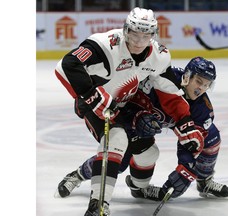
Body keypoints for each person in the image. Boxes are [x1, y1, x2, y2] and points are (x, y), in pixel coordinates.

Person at [54, 7, 205, 216]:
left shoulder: (158, 56)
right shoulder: (105, 45)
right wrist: (92, 95)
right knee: (117, 140)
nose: (138, 41)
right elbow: (66, 65)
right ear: (126, 29)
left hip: (123, 106)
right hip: (93, 106)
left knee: (149, 153)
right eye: (134, 34)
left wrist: (185, 122)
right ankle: (97, 204)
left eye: (145, 36)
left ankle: (139, 189)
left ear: (153, 35)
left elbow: (169, 90)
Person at [55, 57, 228, 204]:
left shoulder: (202, 108)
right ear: (187, 76)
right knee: (120, 161)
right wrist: (136, 117)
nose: (201, 89)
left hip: (149, 123)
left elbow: (192, 143)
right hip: (128, 119)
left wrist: (186, 170)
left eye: (207, 85)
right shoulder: (162, 80)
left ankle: (203, 181)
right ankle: (77, 175)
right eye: (199, 81)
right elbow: (127, 99)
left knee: (211, 138)